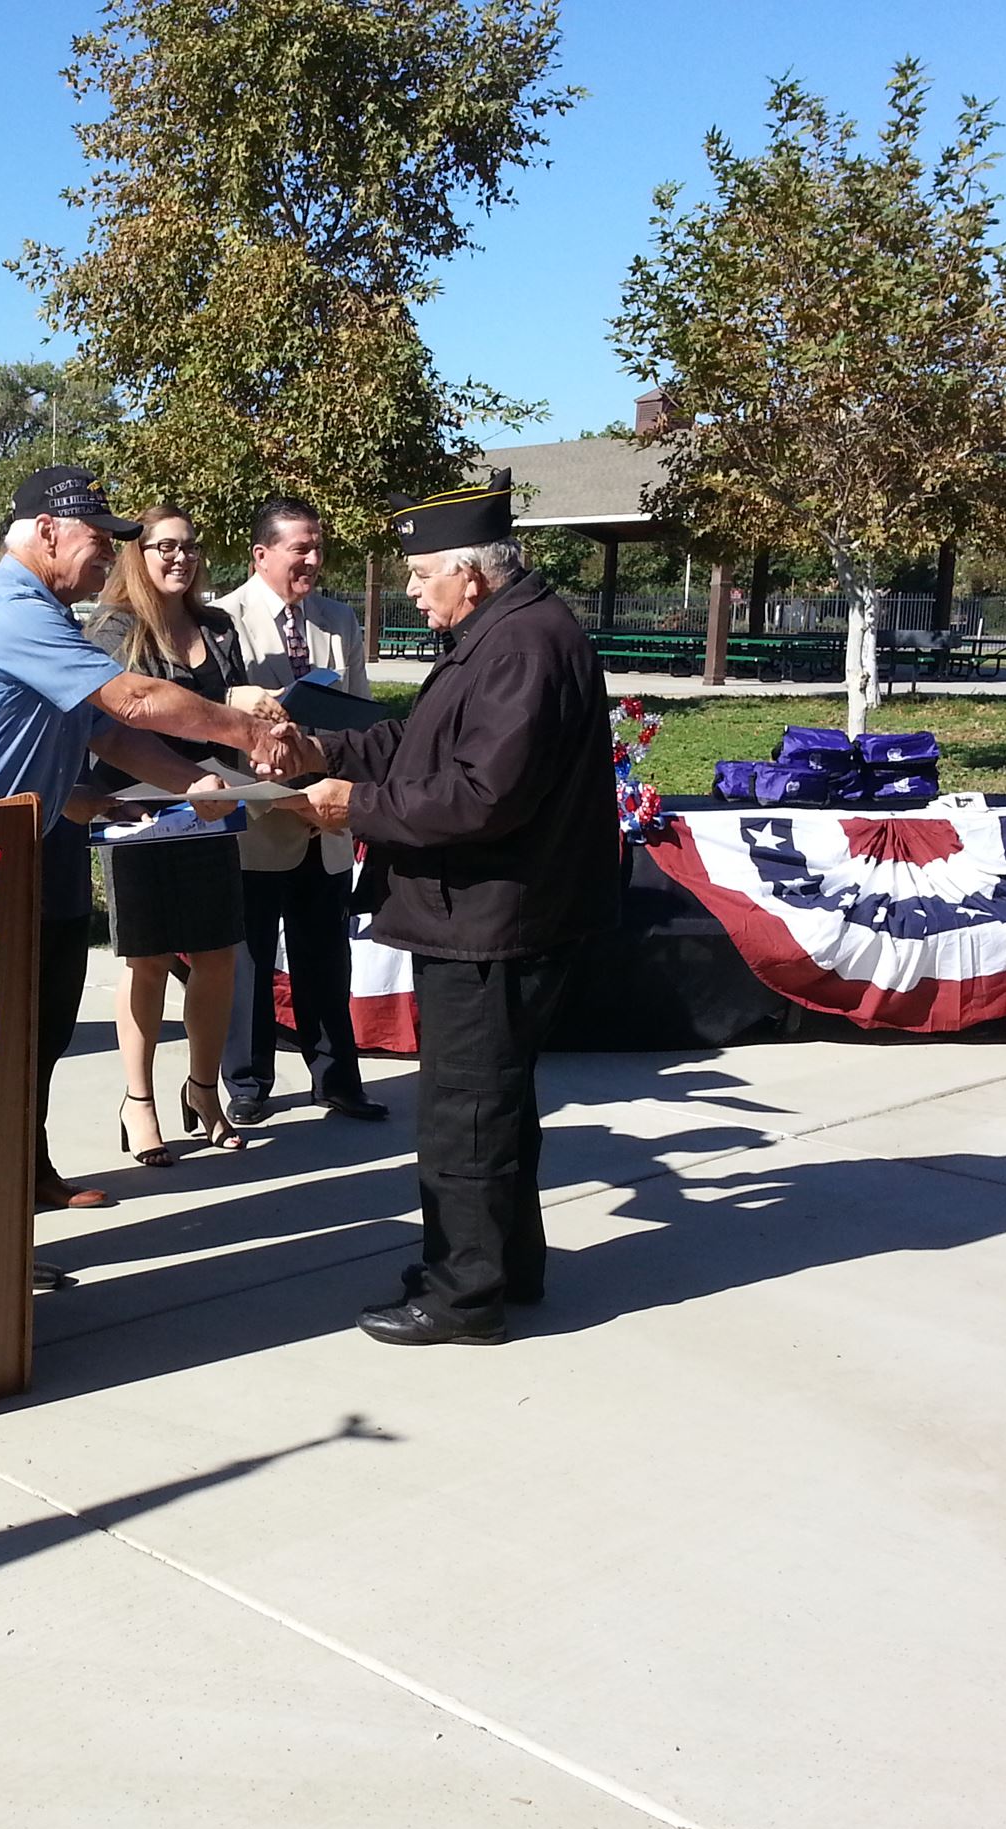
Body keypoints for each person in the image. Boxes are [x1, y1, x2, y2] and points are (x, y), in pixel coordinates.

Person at [0, 465, 297, 1234]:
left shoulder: (49, 617)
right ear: (46, 533)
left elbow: (106, 733)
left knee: (36, 1028)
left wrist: (196, 784)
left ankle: (22, 1177)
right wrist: (249, 734)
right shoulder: (10, 607)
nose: (111, 555)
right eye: (100, 540)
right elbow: (132, 699)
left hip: (25, 843)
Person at [287, 472, 617, 1347]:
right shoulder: (500, 634)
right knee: (493, 1104)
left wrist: (349, 808)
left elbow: (479, 796)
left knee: (464, 1114)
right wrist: (323, 748)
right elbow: (416, 741)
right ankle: (503, 1264)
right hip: (486, 912)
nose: (409, 587)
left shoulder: (520, 648)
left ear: (471, 574)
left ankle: (463, 1296)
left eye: (422, 572)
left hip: (490, 918)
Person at [85, 507, 260, 1164]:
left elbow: (229, 710)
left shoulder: (216, 627)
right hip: (134, 812)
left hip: (212, 809)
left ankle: (204, 1089)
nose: (179, 558)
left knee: (217, 956)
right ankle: (139, 1103)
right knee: (148, 959)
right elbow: (110, 717)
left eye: (188, 547)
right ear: (139, 553)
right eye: (165, 547)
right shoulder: (113, 628)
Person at [214, 495, 384, 1126]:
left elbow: (361, 716)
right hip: (259, 818)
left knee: (325, 957)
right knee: (252, 958)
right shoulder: (221, 619)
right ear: (261, 555)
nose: (313, 559)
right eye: (300, 548)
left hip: (325, 818)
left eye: (318, 546)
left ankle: (336, 1078)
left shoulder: (339, 619)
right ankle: (248, 1081)